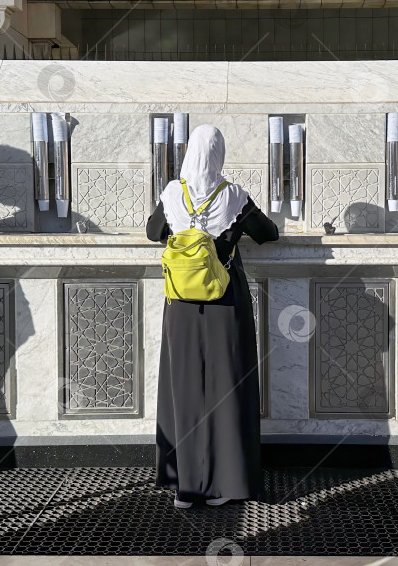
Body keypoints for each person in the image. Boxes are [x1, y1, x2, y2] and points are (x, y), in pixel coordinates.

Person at [146, 124, 279, 509]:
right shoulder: (234, 195)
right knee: (227, 386)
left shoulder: (173, 192)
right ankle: (226, 483)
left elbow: (154, 231)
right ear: (219, 155)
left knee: (184, 387)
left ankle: (185, 486)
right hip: (226, 300)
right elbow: (268, 234)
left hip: (181, 305)